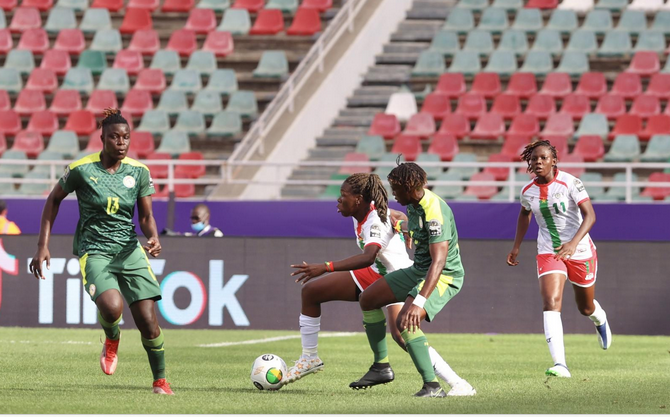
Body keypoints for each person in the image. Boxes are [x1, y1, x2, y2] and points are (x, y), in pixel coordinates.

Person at [28, 108, 174, 395]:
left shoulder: (139, 172)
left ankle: (160, 380)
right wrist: (42, 245)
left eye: (126, 137)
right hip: (94, 250)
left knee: (148, 322)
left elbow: (145, 217)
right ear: (102, 139)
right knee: (112, 307)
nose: (121, 143)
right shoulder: (82, 169)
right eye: (114, 137)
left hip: (129, 250)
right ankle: (111, 337)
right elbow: (53, 200)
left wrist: (154, 236)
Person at [286, 173, 466, 394]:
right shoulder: (362, 212)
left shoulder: (375, 220)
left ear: (359, 199)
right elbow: (396, 214)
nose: (338, 200)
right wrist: (403, 225)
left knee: (402, 333)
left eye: (343, 196)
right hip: (374, 272)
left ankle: (455, 382)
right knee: (312, 291)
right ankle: (310, 358)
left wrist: (325, 266)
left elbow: (368, 255)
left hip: (396, 270)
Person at [352, 162, 475, 398]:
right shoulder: (415, 205)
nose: (393, 193)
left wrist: (419, 301)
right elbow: (417, 227)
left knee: (406, 321)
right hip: (419, 270)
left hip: (443, 276)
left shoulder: (434, 210)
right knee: (368, 299)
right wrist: (402, 226)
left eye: (396, 188)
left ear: (409, 186)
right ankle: (380, 366)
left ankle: (433, 386)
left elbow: (438, 262)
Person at [506, 140, 611, 378]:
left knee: (585, 307)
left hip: (580, 250)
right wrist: (516, 246)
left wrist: (573, 244)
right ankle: (560, 364)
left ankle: (599, 317)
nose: (538, 162)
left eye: (543, 158)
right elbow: (524, 215)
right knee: (551, 302)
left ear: (554, 160)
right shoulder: (527, 191)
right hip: (548, 251)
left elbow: (590, 216)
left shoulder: (571, 183)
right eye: (534, 159)